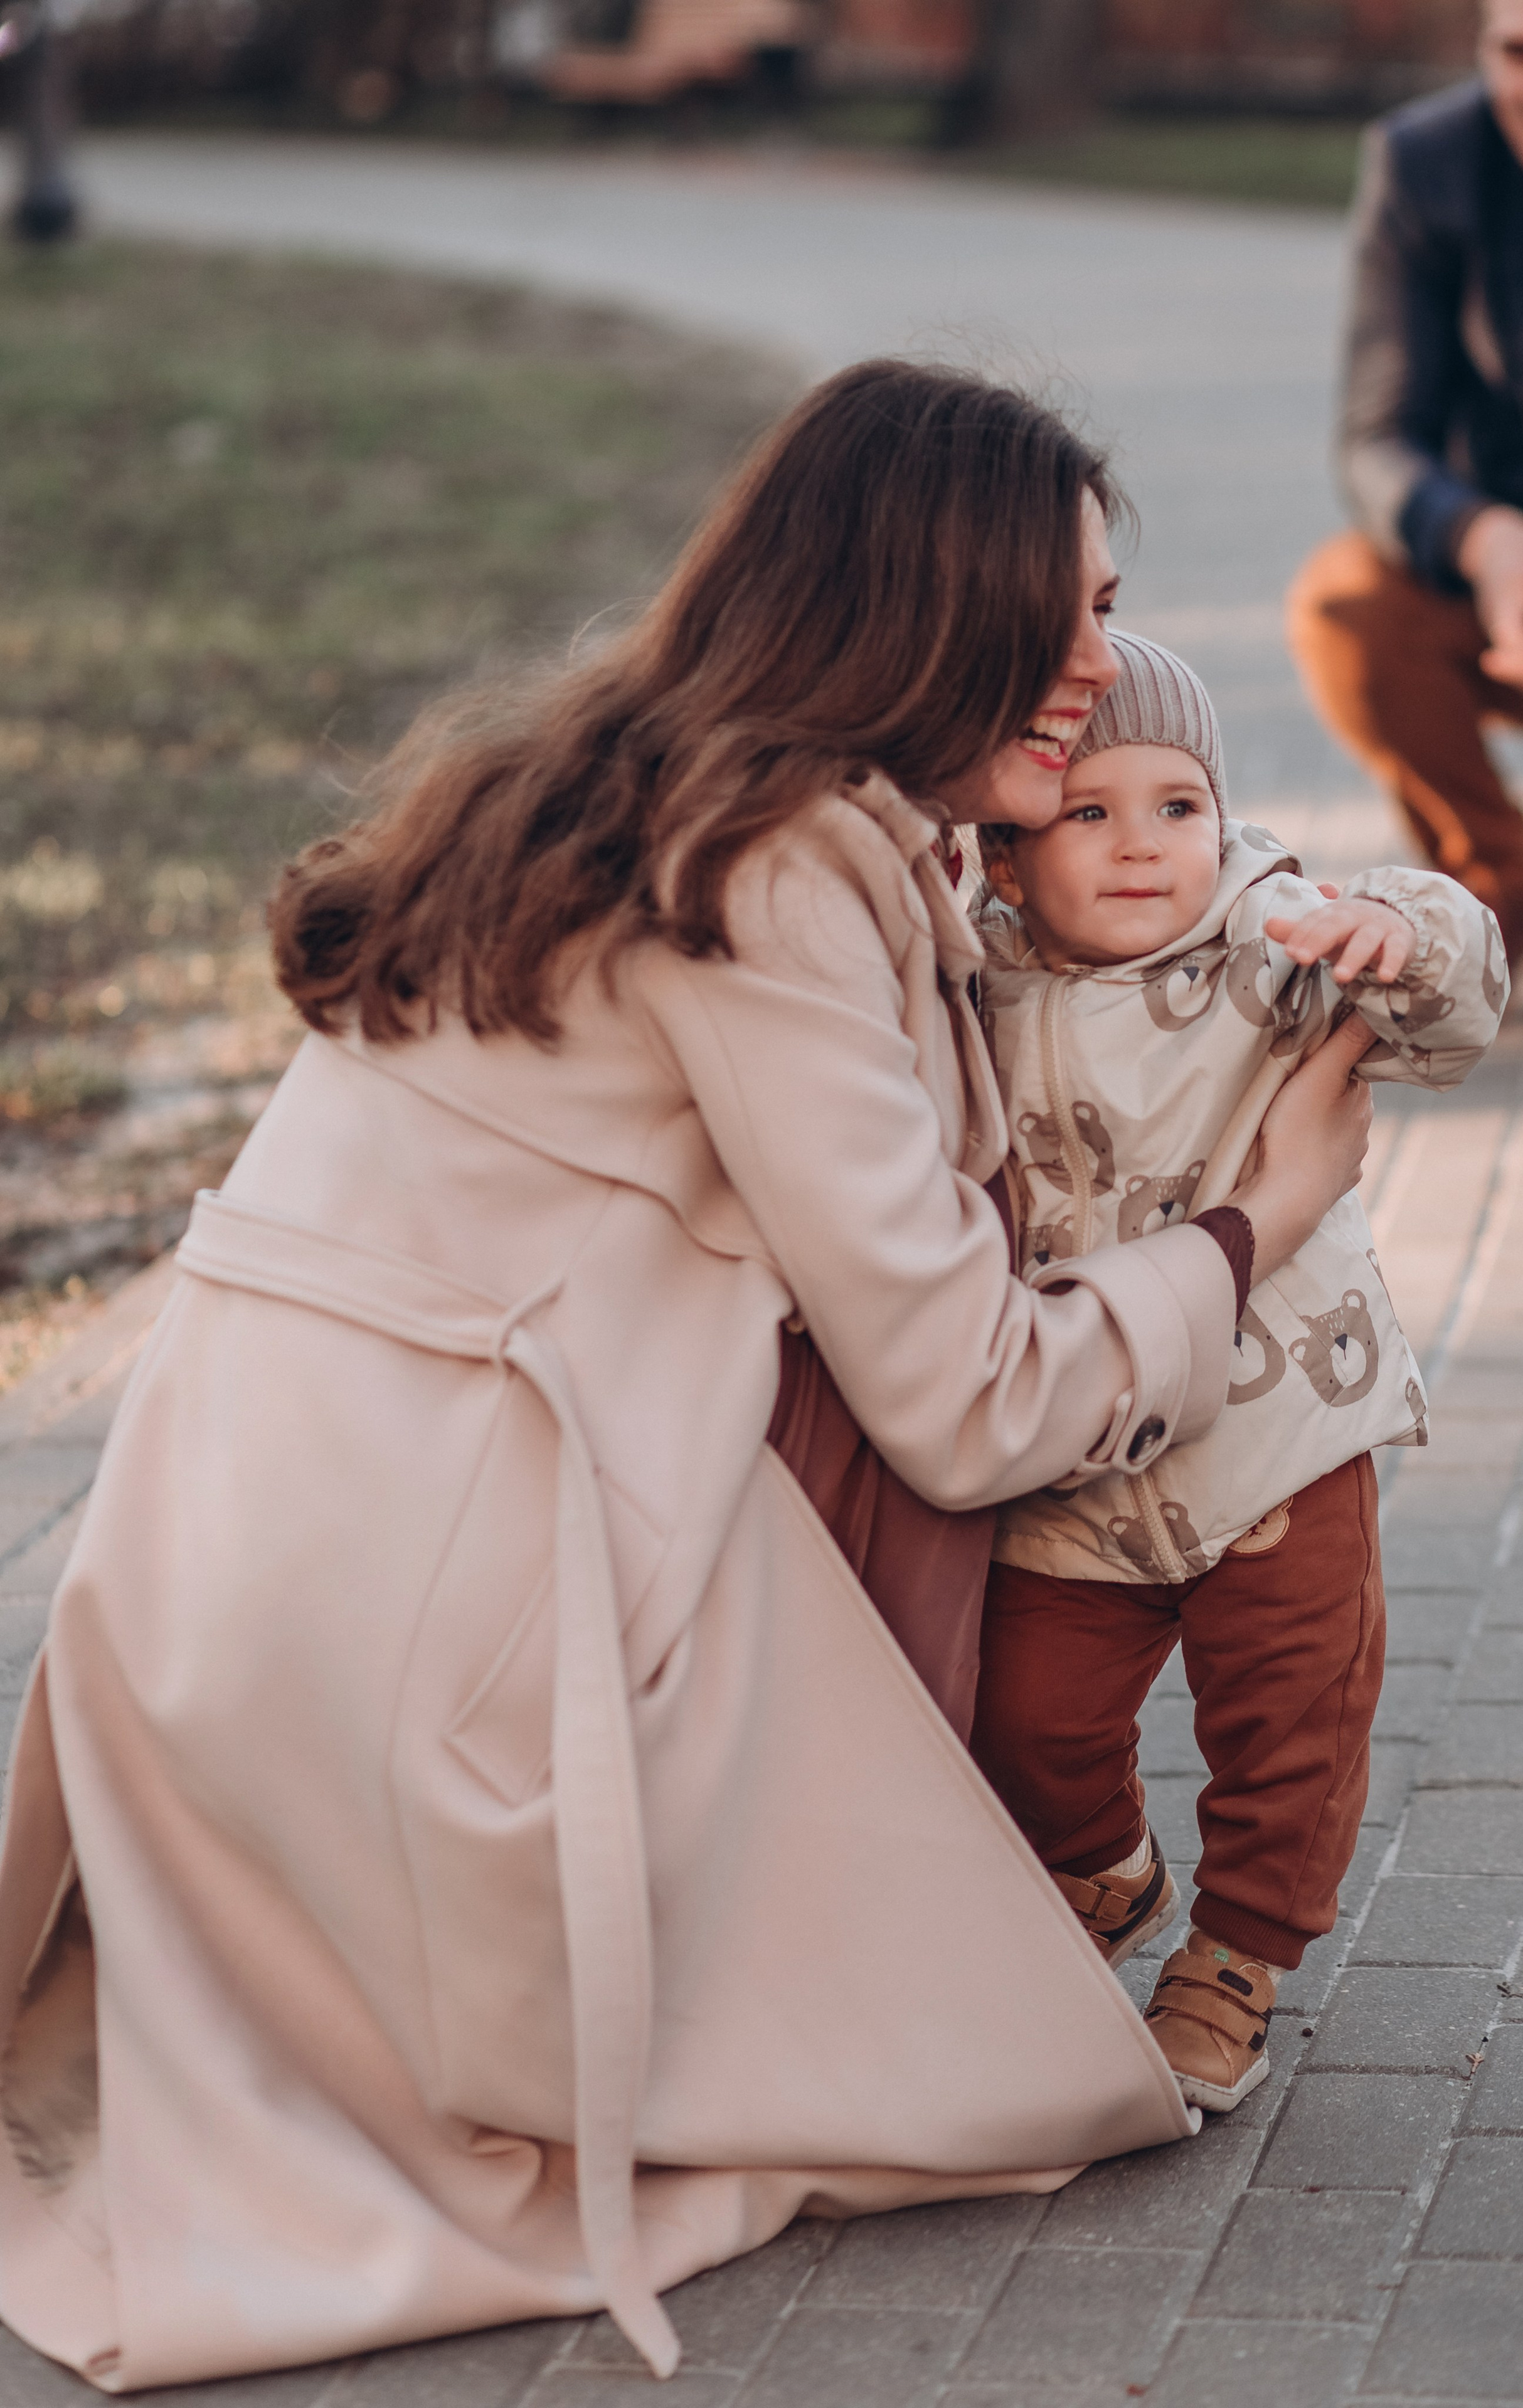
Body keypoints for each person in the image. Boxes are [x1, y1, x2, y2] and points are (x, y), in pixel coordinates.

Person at [0, 364, 1374, 2394]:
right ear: (932, 609)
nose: (1104, 665)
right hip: (404, 1622)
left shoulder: (642, 773)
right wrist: (1251, 1224)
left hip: (224, 1546)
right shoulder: (776, 865)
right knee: (987, 2074)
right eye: (1067, 612)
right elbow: (969, 1401)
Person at [969, 633, 1504, 2114]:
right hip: (1072, 1442)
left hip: (1273, 1431)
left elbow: (1447, 1018)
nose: (1144, 845)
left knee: (1290, 1716)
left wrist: (1407, 936)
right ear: (1005, 862)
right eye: (1089, 814)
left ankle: (1235, 1957)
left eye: (1177, 805)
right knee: (1021, 1716)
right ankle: (1102, 1867)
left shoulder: (1275, 946)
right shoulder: (968, 980)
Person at [1287, 0, 1523, 973]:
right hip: (1511, 591)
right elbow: (1376, 437)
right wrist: (1488, 543)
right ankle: (1505, 888)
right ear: (1483, 47)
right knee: (1344, 607)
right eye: (1521, 53)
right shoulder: (1425, 161)